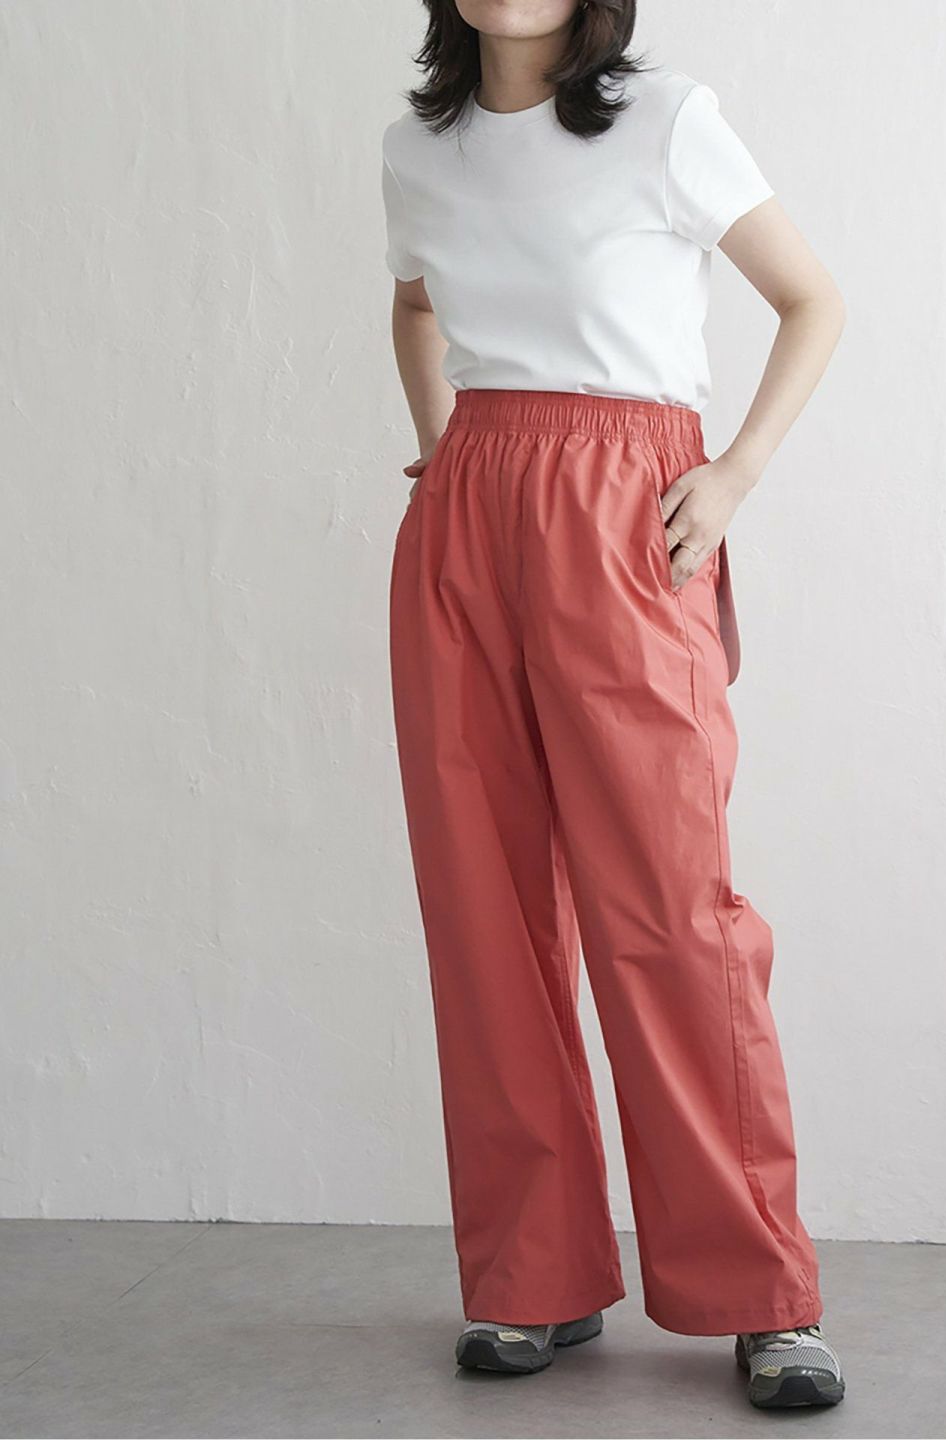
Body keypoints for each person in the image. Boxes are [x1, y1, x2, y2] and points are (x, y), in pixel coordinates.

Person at [381, 0, 846, 1411]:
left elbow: (813, 299)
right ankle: (533, 1277)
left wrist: (734, 475)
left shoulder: (665, 119)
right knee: (485, 910)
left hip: (627, 507)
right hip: (470, 513)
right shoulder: (419, 146)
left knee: (671, 911)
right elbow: (415, 305)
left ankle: (762, 1292)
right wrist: (440, 446)